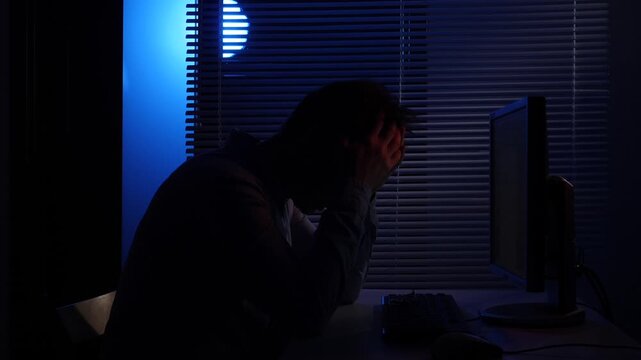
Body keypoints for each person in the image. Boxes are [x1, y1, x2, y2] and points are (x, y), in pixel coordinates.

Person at [103, 80, 410, 359]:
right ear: (320, 143)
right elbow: (308, 311)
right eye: (351, 169)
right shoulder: (228, 188)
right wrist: (356, 190)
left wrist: (365, 192)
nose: (336, 195)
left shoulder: (274, 195)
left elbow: (342, 291)